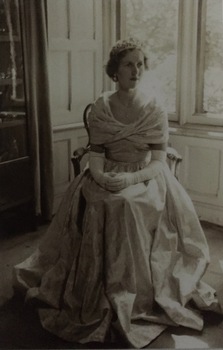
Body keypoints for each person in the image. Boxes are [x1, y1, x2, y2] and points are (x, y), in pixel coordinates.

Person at [13, 38, 222, 348]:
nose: (135, 70)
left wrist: (129, 180)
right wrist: (99, 174)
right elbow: (95, 152)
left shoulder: (154, 106)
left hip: (147, 177)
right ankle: (94, 287)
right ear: (115, 70)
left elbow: (158, 162)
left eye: (140, 64)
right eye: (128, 64)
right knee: (98, 198)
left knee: (126, 203)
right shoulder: (102, 105)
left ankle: (131, 291)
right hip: (107, 171)